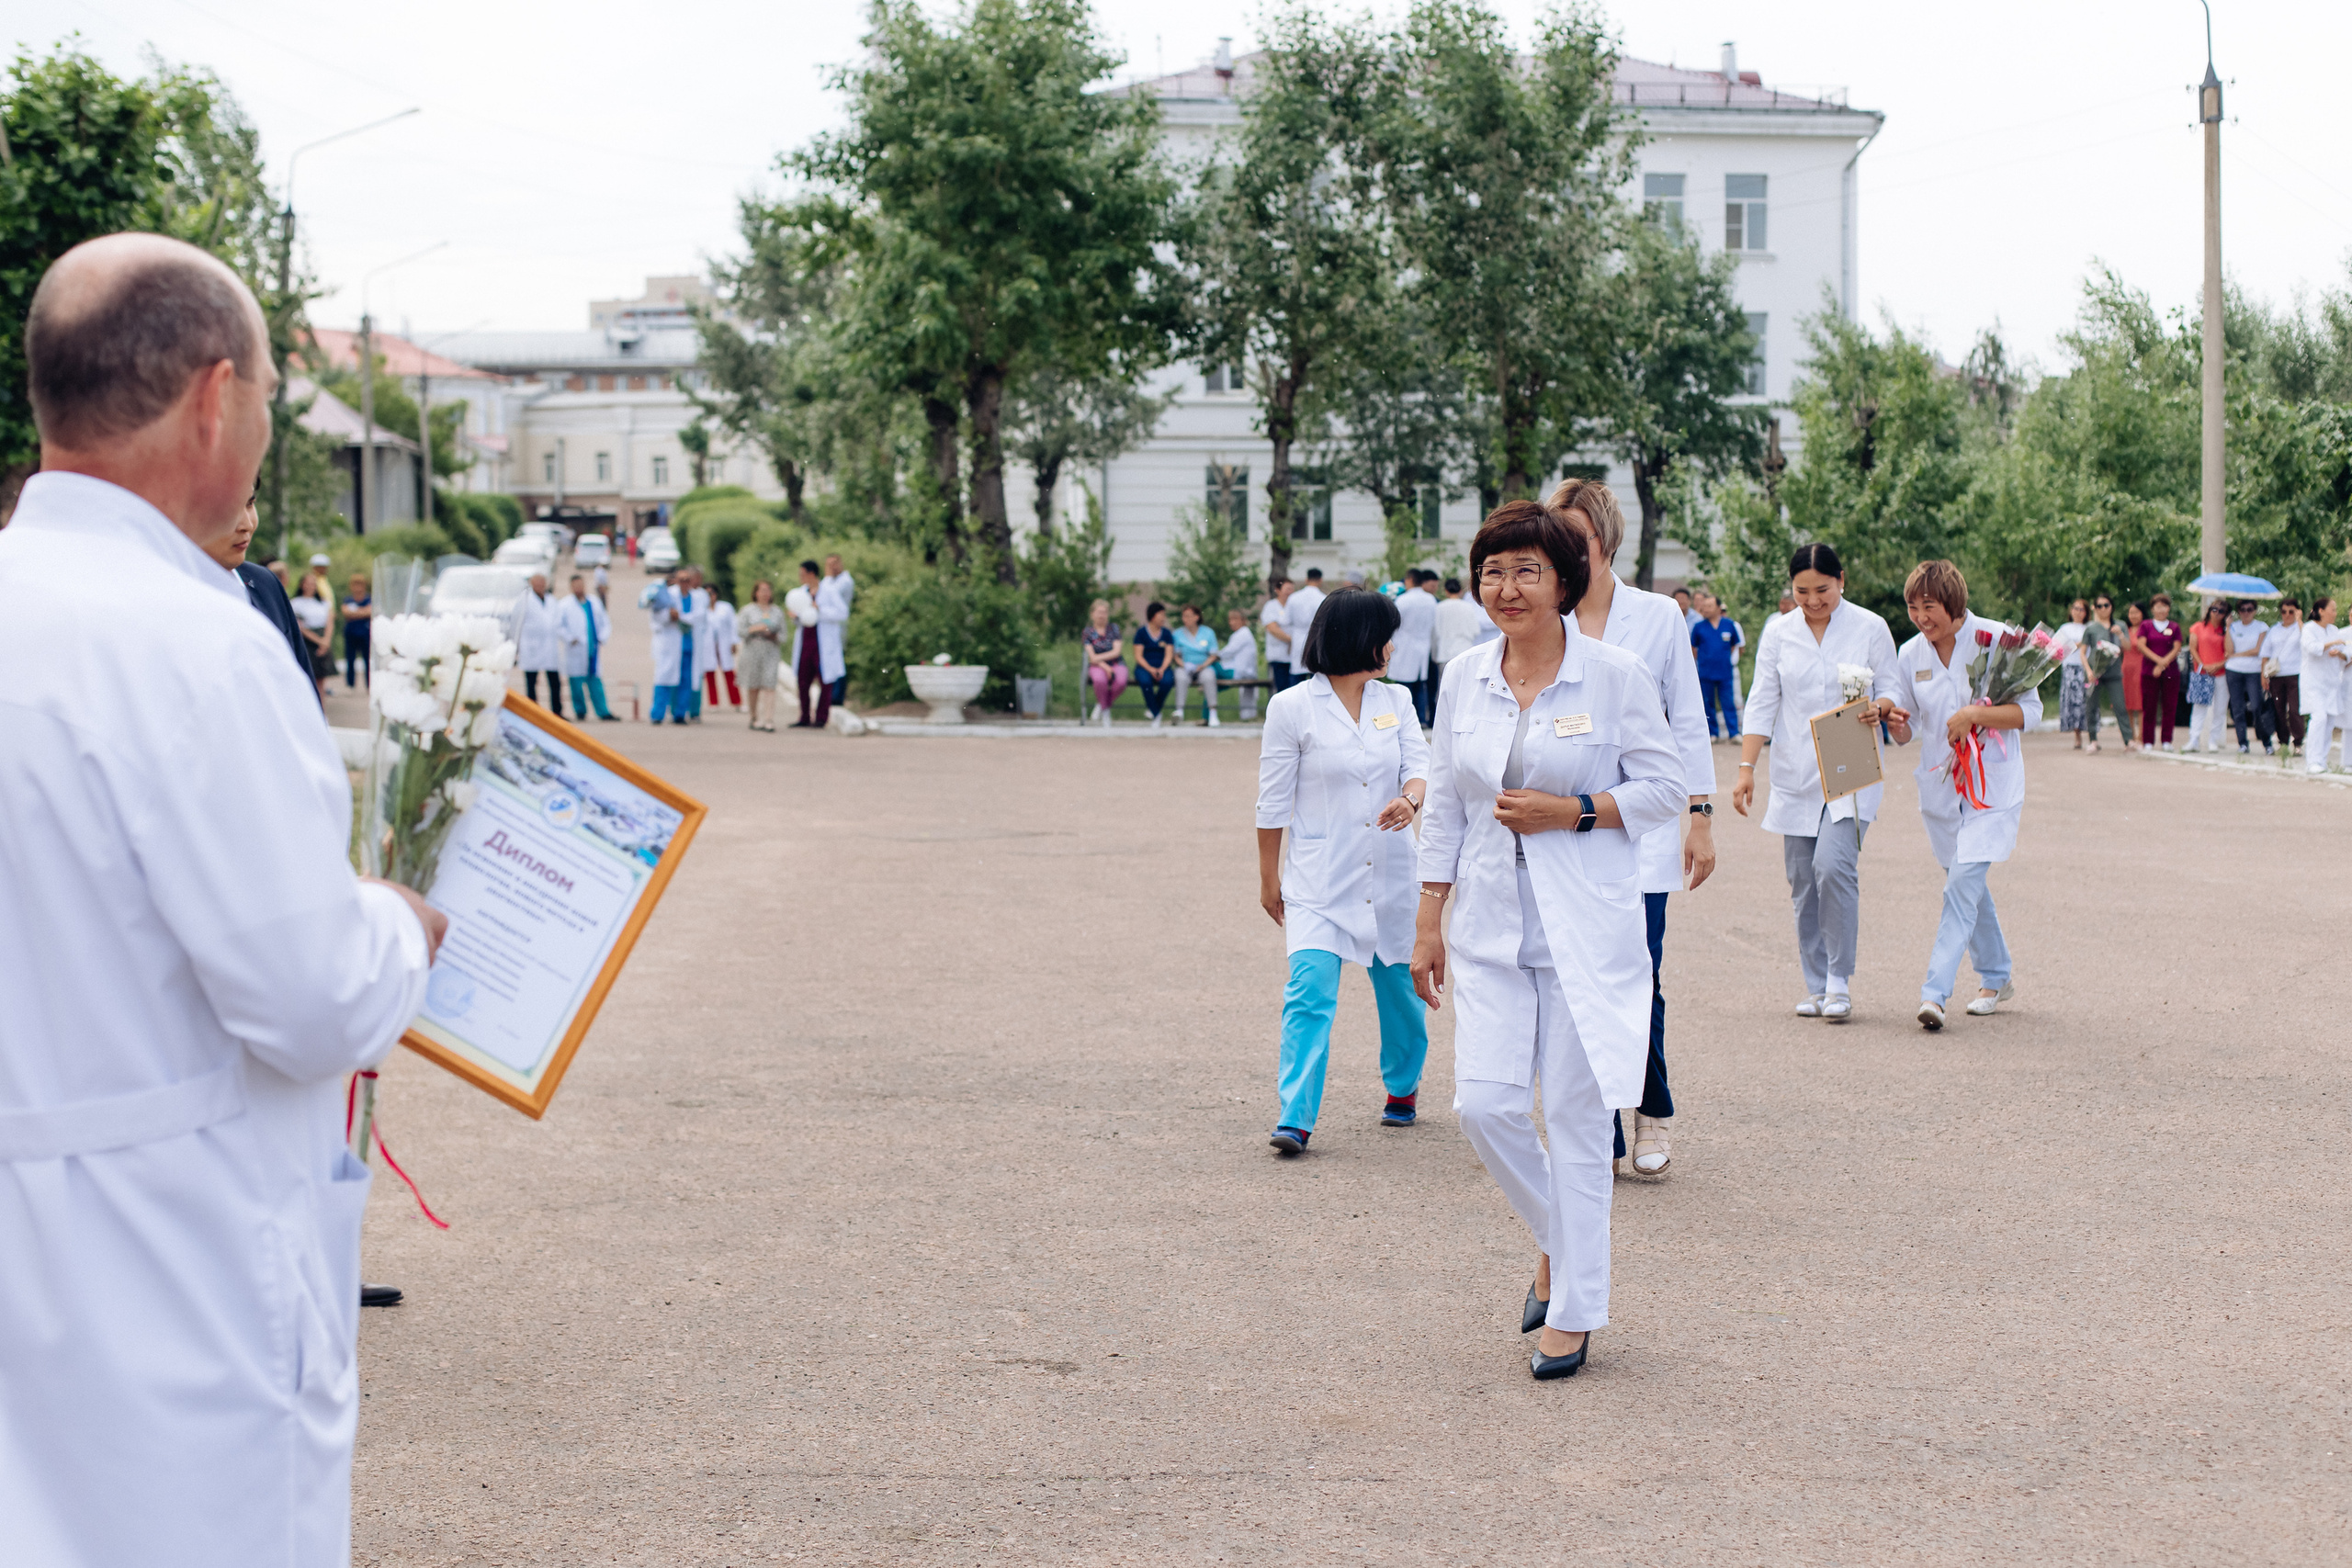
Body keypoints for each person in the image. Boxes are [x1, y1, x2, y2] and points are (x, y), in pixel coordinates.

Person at [0, 229, 444, 1567]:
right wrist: (396, 926)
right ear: (215, 395)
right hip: (158, 1264)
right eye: (263, 396)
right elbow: (311, 999)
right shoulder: (195, 645)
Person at [1410, 500, 1683, 1381]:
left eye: (1528, 570)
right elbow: (1448, 802)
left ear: (1565, 580)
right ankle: (1566, 1247)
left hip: (1584, 930)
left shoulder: (1615, 676)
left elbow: (1662, 787)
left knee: (1572, 1119)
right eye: (1493, 570)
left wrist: (1573, 813)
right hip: (1489, 928)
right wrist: (1428, 917)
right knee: (1482, 1107)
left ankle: (1574, 1311)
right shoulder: (1463, 677)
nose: (1507, 587)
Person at [1547, 477, 1714, 1179]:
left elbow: (1686, 718)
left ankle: (1652, 1108)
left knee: (1638, 970)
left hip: (1639, 828)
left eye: (1578, 539)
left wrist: (1699, 815)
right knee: (1572, 977)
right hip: (1560, 828)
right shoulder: (1542, 617)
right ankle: (1599, 1125)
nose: (1566, 553)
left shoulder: (1657, 618)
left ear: (1606, 540)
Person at [1255, 588, 1430, 1156]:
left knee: (1400, 992)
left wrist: (1410, 800)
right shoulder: (1291, 708)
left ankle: (1402, 1089)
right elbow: (1272, 801)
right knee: (1308, 993)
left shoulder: (1396, 701)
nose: (1392, 646)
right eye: (1385, 634)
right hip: (1319, 879)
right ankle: (1295, 1117)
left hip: (1392, 874)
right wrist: (1267, 878)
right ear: (1361, 639)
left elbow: (1420, 766)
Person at [1732, 543, 1902, 1022]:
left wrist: (1881, 708)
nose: (1812, 600)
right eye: (1802, 591)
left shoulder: (1870, 626)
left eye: (1822, 590)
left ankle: (1838, 980)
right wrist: (1746, 769)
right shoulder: (1779, 633)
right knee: (1804, 881)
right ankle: (1815, 982)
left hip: (1851, 758)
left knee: (1833, 867)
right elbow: (1762, 701)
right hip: (1796, 768)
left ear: (1841, 580)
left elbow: (1892, 688)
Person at [1883, 562, 2038, 1030]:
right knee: (1965, 885)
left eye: (1929, 606)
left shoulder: (1998, 642)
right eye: (1913, 607)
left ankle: (1935, 994)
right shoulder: (1910, 655)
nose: (1920, 616)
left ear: (1954, 602)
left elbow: (2028, 712)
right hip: (1942, 787)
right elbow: (1907, 731)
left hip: (1992, 786)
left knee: (1961, 886)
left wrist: (1976, 713)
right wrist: (1899, 724)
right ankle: (1997, 975)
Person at [560, 572, 618, 721]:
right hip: (576, 648)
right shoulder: (565, 605)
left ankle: (603, 711)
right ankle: (580, 711)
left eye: (581, 584)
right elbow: (559, 626)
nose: (579, 588)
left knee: (595, 682)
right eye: (576, 586)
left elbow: (605, 622)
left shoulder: (594, 602)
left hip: (592, 648)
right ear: (571, 587)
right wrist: (569, 638)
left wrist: (602, 637)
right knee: (576, 684)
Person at [2302, 598, 2349, 773]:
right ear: (2321, 611)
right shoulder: (2309, 629)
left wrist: (2340, 653)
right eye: (2333, 610)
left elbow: (2345, 653)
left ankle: (2321, 761)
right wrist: (2333, 644)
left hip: (2331, 683)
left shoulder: (2334, 630)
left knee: (2329, 722)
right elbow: (2313, 648)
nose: (2335, 613)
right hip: (2314, 684)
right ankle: (2312, 761)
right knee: (2319, 718)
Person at [1691, 590, 1744, 740]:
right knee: (1708, 704)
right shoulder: (1699, 627)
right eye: (1704, 606)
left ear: (1718, 608)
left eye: (1709, 606)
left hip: (1725, 672)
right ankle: (1712, 733)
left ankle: (1733, 733)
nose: (1705, 608)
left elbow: (1735, 645)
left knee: (1728, 702)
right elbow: (1693, 648)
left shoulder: (1729, 625)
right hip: (1706, 672)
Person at [2224, 598, 2275, 755]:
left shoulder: (2261, 627)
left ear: (2254, 610)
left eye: (2250, 609)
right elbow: (2228, 650)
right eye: (2243, 609)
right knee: (2237, 708)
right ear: (2238, 612)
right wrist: (2227, 627)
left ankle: (2266, 742)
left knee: (2257, 705)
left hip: (2253, 671)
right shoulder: (2233, 626)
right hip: (2234, 670)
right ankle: (2243, 743)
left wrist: (2238, 654)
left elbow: (2258, 650)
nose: (2246, 613)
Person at [2135, 594, 2185, 751]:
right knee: (2149, 706)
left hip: (2171, 672)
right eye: (2158, 606)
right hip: (2149, 671)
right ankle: (2148, 741)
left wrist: (2163, 664)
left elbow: (2177, 648)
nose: (2161, 609)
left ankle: (2166, 740)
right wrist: (2158, 661)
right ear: (2152, 609)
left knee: (2169, 706)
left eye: (2164, 606)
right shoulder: (2146, 625)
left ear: (2168, 608)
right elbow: (2142, 646)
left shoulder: (2174, 627)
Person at [515, 570, 566, 717]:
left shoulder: (551, 600)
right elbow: (518, 623)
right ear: (531, 584)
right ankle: (533, 713)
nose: (540, 585)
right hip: (531, 646)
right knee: (531, 682)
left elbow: (557, 621)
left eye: (542, 583)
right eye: (537, 583)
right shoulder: (525, 600)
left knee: (555, 682)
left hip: (549, 646)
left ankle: (557, 712)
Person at [738, 579, 786, 731]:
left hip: (770, 651)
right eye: (762, 590)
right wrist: (755, 629)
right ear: (756, 593)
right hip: (752, 651)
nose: (765, 594)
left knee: (770, 685)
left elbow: (784, 635)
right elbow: (740, 631)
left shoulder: (777, 612)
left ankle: (769, 719)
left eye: (768, 590)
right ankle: (753, 717)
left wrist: (773, 635)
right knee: (753, 685)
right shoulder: (747, 611)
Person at [1392, 569, 1439, 726]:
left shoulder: (1403, 600)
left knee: (1404, 687)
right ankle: (1421, 718)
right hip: (1423, 646)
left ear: (1410, 580)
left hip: (1404, 646)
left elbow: (1394, 623)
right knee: (1420, 685)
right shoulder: (1430, 600)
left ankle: (1405, 720)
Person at [646, 570, 692, 726]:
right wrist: (669, 615)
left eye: (687, 580)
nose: (684, 583)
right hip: (668, 642)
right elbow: (656, 615)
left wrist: (680, 616)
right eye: (681, 580)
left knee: (685, 680)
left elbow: (698, 616)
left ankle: (680, 713)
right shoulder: (664, 594)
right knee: (664, 677)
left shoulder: (696, 596)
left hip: (687, 642)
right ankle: (657, 714)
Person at [2084, 596, 2130, 751]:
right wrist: (2089, 671)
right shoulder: (2091, 628)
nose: (2103, 608)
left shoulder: (2120, 625)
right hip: (2095, 671)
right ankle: (2093, 740)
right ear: (2095, 608)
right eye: (2099, 606)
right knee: (2091, 706)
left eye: (2106, 605)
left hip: (2114, 671)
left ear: (2111, 606)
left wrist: (2121, 635)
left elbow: (2128, 647)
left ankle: (2128, 740)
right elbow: (2083, 653)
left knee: (2120, 706)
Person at [2181, 599, 2228, 752]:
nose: (2217, 613)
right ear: (2209, 610)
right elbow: (2193, 649)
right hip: (2202, 672)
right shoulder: (2198, 627)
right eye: (2214, 610)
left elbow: (2229, 652)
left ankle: (2213, 740)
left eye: (2221, 611)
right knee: (2199, 707)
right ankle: (2194, 739)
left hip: (2221, 673)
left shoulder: (2226, 630)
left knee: (2219, 709)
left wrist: (2218, 665)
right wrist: (2203, 665)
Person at [786, 560, 828, 728]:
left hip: (822, 642)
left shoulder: (827, 591)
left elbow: (840, 613)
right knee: (803, 681)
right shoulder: (801, 593)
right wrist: (795, 616)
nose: (800, 577)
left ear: (811, 574)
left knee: (825, 680)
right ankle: (804, 716)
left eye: (802, 574)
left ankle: (821, 717)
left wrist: (820, 609)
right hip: (805, 641)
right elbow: (802, 618)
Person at [2261, 598, 2303, 756]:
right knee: (2279, 710)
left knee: (2294, 709)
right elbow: (2265, 654)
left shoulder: (2300, 628)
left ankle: (2298, 742)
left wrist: (2299, 619)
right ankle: (2283, 741)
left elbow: (2306, 640)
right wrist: (2263, 675)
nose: (2287, 615)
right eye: (2284, 611)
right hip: (2276, 674)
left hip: (2295, 673)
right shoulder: (2274, 629)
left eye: (2291, 611)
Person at [1170, 603, 1222, 727]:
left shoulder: (1208, 633)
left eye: (1188, 616)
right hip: (1185, 666)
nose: (1186, 619)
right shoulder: (1177, 634)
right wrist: (1183, 665)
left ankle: (1213, 713)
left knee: (1209, 676)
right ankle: (1179, 711)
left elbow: (1213, 655)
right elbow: (1175, 655)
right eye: (1184, 616)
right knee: (1180, 677)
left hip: (1203, 666)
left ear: (1196, 617)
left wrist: (1203, 666)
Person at [1080, 598, 1129, 726]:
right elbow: (1092, 657)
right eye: (1099, 612)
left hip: (1116, 663)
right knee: (1099, 680)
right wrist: (1106, 667)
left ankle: (1102, 705)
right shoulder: (1087, 632)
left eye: (1105, 612)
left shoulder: (1114, 629)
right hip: (1097, 666)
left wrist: (1099, 658)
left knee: (1121, 682)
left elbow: (1116, 652)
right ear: (1092, 614)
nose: (1102, 615)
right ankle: (1106, 711)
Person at [291, 566, 334, 700]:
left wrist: (325, 641)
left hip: (323, 639)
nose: (311, 586)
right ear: (302, 585)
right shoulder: (296, 603)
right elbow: (300, 627)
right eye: (308, 583)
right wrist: (319, 641)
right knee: (308, 679)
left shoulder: (324, 603)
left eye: (313, 584)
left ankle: (322, 712)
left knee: (321, 681)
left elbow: (330, 622)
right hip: (308, 642)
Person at [818, 554, 854, 710]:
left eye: (834, 563)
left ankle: (837, 696)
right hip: (827, 628)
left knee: (838, 661)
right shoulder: (829, 581)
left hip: (839, 627)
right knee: (829, 661)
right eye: (828, 564)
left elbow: (829, 594)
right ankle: (831, 694)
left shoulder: (845, 581)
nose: (832, 567)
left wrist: (826, 577)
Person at [1133, 602, 1177, 730]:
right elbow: (1138, 656)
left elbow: (1169, 654)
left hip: (1163, 666)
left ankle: (1152, 709)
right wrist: (1151, 669)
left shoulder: (1167, 634)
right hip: (1144, 667)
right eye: (1161, 615)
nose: (1164, 618)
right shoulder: (1141, 633)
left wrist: (1162, 668)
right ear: (1153, 616)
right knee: (1145, 682)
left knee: (1168, 681)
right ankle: (1157, 714)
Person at [1283, 569, 1327, 695]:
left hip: (1297, 639)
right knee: (1316, 676)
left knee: (1296, 678)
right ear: (1320, 580)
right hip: (1316, 639)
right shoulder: (1323, 598)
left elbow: (1286, 620)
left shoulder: (1294, 598)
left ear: (1306, 579)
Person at [2054, 598, 2091, 749]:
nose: (2078, 612)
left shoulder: (2088, 628)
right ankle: (2077, 736)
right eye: (2075, 608)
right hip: (2070, 667)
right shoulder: (2065, 628)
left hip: (2085, 667)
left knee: (2084, 701)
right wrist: (2078, 644)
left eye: (2081, 609)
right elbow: (2057, 646)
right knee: (2072, 702)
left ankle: (2090, 734)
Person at [680, 567, 714, 722]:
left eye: (700, 578)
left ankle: (694, 711)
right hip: (681, 639)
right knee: (680, 676)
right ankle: (679, 709)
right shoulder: (680, 593)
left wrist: (682, 617)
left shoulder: (701, 595)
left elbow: (700, 616)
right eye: (695, 578)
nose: (698, 581)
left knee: (696, 678)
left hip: (697, 638)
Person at [1218, 607, 1261, 721]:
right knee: (1246, 697)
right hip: (1245, 670)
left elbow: (1228, 652)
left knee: (1214, 672)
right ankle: (1248, 716)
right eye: (1230, 620)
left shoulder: (1243, 634)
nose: (1232, 623)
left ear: (1243, 620)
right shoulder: (1241, 634)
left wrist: (1214, 656)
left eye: (1235, 619)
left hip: (1243, 671)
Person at [705, 594, 742, 713]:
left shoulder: (726, 607)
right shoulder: (702, 608)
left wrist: (734, 642)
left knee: (729, 673)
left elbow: (733, 625)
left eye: (711, 593)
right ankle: (713, 703)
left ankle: (737, 702)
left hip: (724, 644)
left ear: (716, 595)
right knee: (710, 674)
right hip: (708, 645)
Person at [1261, 577, 1295, 694]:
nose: (1290, 592)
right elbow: (1272, 628)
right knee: (1281, 688)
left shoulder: (1294, 605)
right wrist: (1291, 639)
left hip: (1294, 656)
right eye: (1287, 589)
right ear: (1278, 590)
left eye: (1292, 589)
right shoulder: (1271, 606)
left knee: (1294, 688)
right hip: (1278, 655)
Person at [339, 572, 372, 688]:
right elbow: (345, 612)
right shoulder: (348, 599)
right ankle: (350, 683)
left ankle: (369, 683)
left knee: (367, 659)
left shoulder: (369, 599)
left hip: (365, 633)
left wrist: (354, 613)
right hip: (351, 633)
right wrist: (362, 612)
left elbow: (370, 612)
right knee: (350, 658)